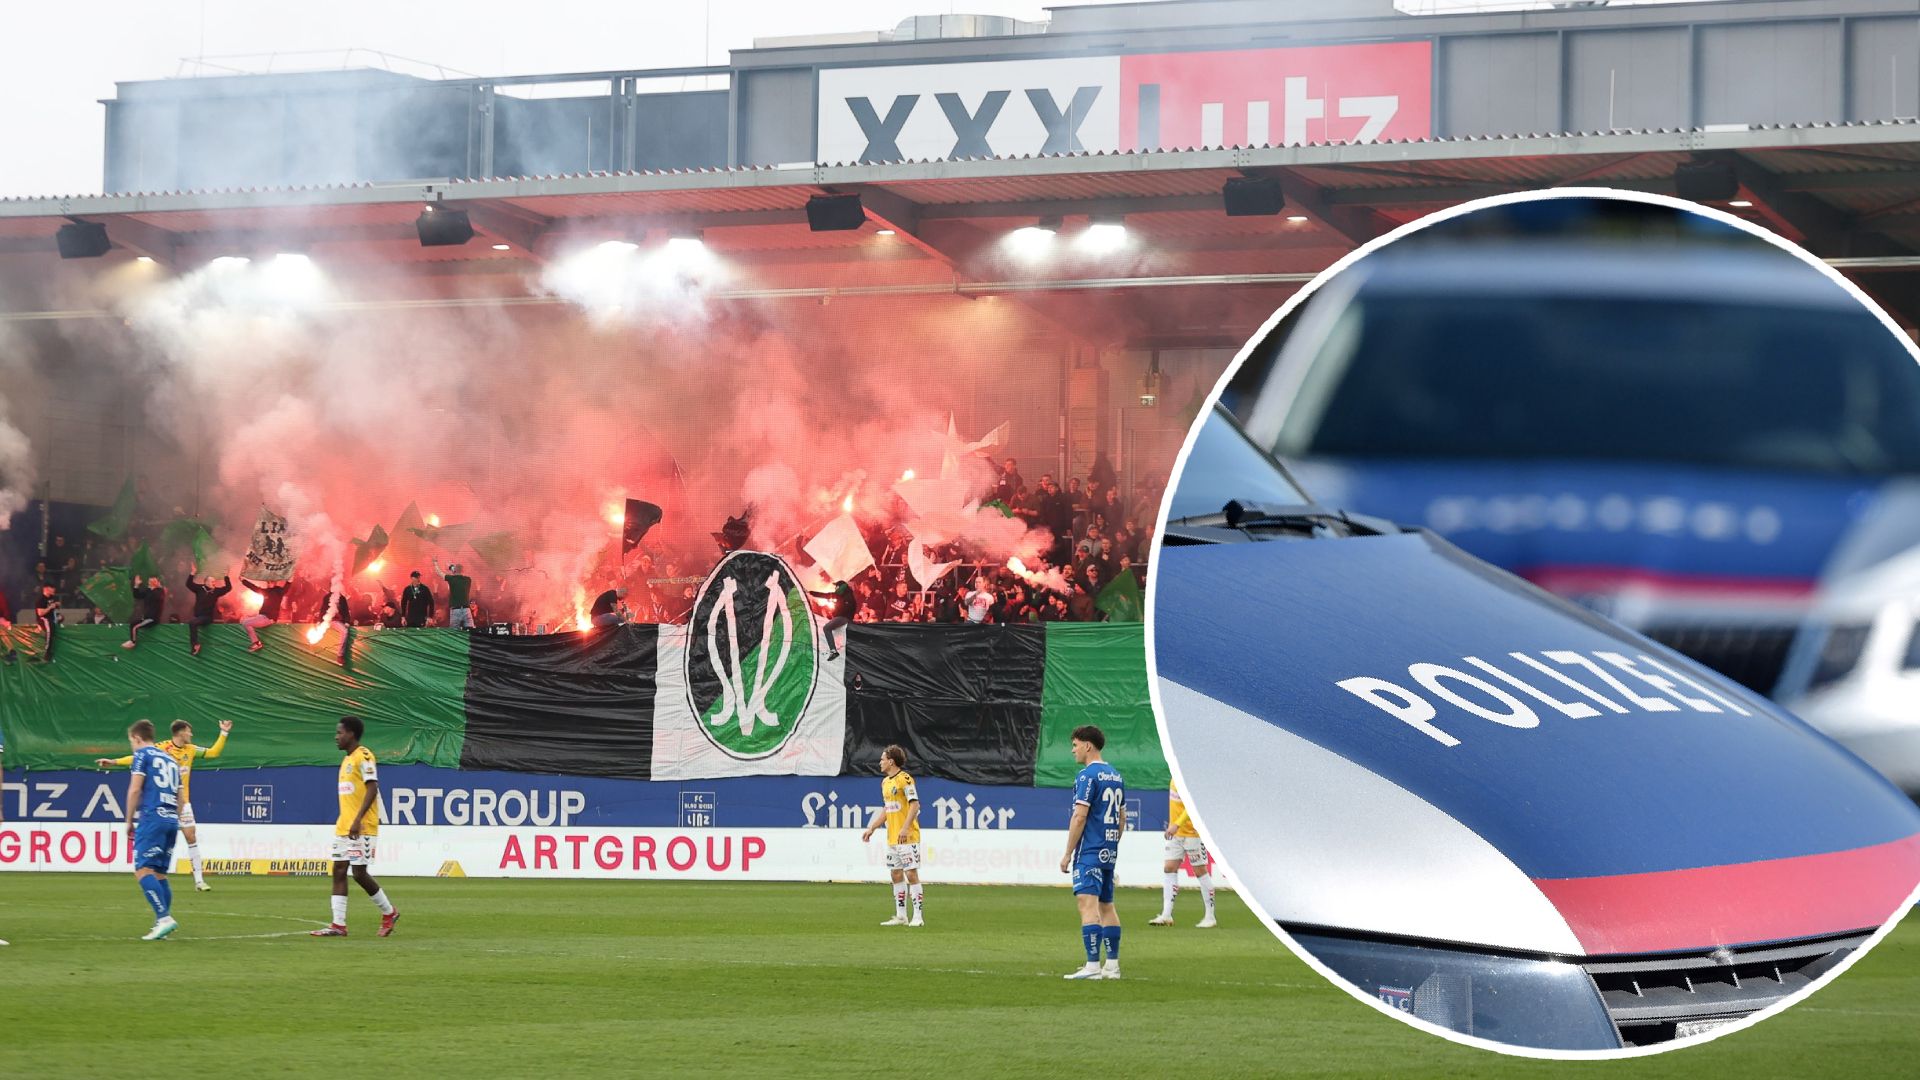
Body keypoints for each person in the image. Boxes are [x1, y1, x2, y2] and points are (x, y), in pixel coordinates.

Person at [101, 719, 232, 892]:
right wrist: (115, 762)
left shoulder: (191, 750)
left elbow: (214, 753)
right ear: (181, 732)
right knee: (162, 839)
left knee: (191, 837)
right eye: (189, 731)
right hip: (163, 801)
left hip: (182, 802)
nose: (191, 735)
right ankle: (152, 873)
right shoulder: (162, 748)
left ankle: (199, 881)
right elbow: (138, 757)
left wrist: (224, 732)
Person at [310, 716, 400, 938]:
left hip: (362, 827)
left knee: (359, 873)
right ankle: (338, 925)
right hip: (345, 826)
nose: (336, 737)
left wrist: (358, 819)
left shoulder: (365, 756)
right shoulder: (346, 760)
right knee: (339, 869)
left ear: (351, 734)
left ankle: (389, 912)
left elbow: (372, 787)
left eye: (339, 732)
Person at [1060, 724, 1125, 980]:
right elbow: (1122, 818)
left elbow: (1079, 817)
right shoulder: (1116, 775)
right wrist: (1111, 844)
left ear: (1088, 745)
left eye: (1075, 745)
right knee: (1107, 905)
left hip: (1090, 851)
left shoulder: (1087, 777)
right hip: (1109, 852)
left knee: (1087, 904)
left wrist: (1067, 853)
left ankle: (1092, 966)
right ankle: (1112, 965)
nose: (1073, 750)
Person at [122, 719, 183, 941]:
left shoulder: (142, 756)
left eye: (131, 741)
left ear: (137, 738)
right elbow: (181, 798)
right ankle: (161, 924)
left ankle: (164, 918)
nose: (132, 746)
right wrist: (174, 818)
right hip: (171, 820)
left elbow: (135, 789)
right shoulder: (171, 759)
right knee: (159, 874)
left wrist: (129, 820)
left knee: (142, 870)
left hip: (152, 818)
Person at [861, 744, 925, 927]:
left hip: (907, 836)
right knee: (896, 874)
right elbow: (887, 809)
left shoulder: (905, 779)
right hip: (892, 837)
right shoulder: (885, 782)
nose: (879, 762)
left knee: (911, 874)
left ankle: (918, 917)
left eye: (882, 759)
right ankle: (901, 916)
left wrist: (905, 828)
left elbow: (915, 805)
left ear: (891, 761)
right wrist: (872, 827)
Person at [1150, 783, 1217, 928]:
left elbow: (1193, 804)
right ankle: (1166, 915)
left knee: (1200, 871)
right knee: (1169, 868)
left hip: (1193, 833)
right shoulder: (1174, 778)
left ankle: (1210, 916)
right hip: (1176, 834)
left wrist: (1177, 824)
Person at [185, 572, 231, 656]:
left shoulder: (216, 591)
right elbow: (188, 584)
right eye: (212, 581)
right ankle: (195, 647)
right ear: (206, 582)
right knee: (193, 622)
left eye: (215, 581)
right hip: (198, 617)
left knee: (192, 622)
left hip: (207, 617)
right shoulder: (200, 588)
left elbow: (228, 588)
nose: (214, 583)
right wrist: (192, 573)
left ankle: (195, 645)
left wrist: (226, 576)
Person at [807, 579, 854, 658]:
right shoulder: (843, 595)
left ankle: (833, 651)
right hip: (843, 618)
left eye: (837, 587)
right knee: (834, 634)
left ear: (841, 587)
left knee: (826, 628)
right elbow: (826, 595)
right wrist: (811, 592)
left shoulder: (847, 597)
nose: (835, 588)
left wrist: (836, 611)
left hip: (844, 618)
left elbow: (846, 609)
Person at [240, 577, 288, 653]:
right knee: (244, 621)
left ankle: (257, 643)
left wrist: (290, 578)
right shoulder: (266, 591)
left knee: (246, 623)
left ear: (274, 583)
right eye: (268, 582)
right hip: (262, 616)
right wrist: (243, 580)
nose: (269, 583)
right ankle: (256, 643)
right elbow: (254, 588)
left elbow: (287, 586)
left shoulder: (279, 591)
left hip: (269, 618)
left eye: (271, 582)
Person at [123, 575, 166, 650]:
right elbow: (137, 596)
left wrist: (157, 586)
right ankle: (132, 641)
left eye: (153, 581)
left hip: (153, 618)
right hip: (146, 618)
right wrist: (136, 585)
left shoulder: (160, 591)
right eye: (150, 581)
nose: (150, 582)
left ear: (157, 582)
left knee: (135, 626)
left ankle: (133, 642)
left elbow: (157, 597)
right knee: (133, 624)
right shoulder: (148, 590)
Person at [434, 559, 474, 630]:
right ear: (463, 571)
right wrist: (452, 568)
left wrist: (435, 562)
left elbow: (438, 572)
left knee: (454, 632)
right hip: (466, 609)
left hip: (455, 610)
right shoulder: (468, 580)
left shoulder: (451, 579)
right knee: (470, 630)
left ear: (454, 570)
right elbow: (457, 574)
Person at [317, 590, 353, 665]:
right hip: (328, 620)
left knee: (345, 631)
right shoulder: (327, 597)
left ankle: (340, 655)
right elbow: (322, 610)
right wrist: (320, 621)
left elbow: (346, 611)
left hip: (337, 621)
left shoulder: (342, 598)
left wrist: (347, 622)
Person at [33, 583, 59, 663]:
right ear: (46, 589)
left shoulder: (52, 597)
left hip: (52, 617)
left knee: (60, 618)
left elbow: (56, 604)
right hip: (44, 618)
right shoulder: (40, 599)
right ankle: (47, 652)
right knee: (49, 630)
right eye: (52, 588)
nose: (54, 589)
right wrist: (50, 607)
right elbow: (40, 613)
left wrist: (57, 604)